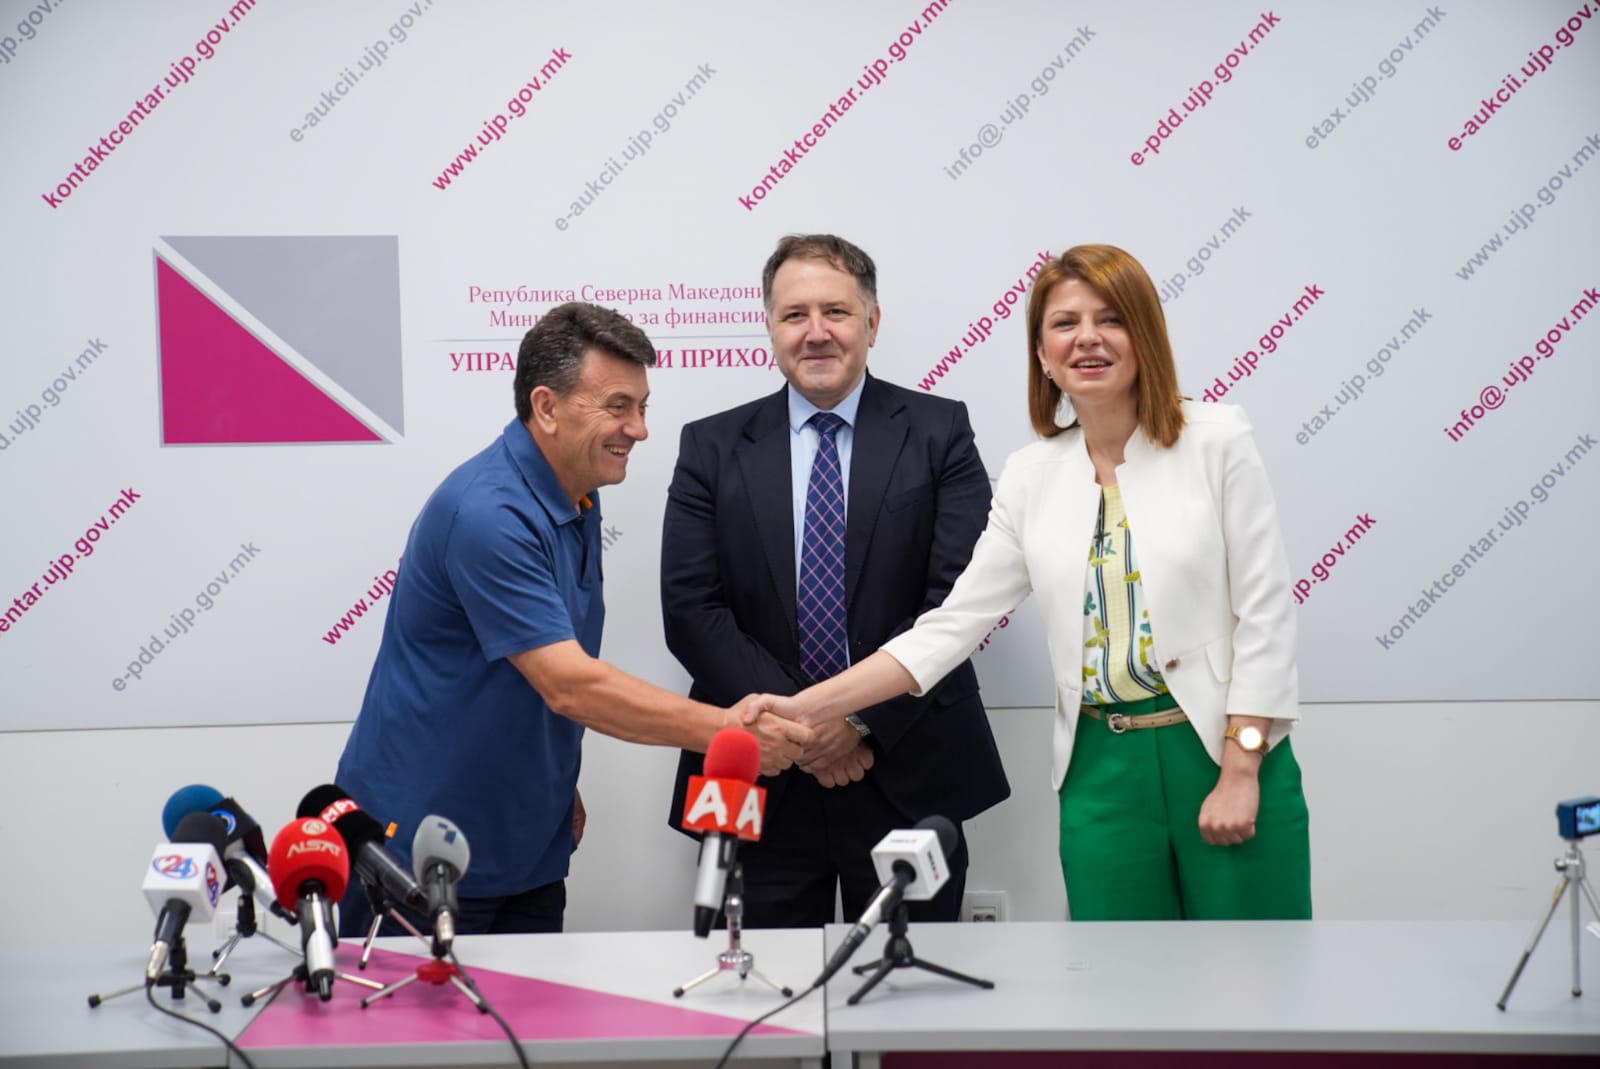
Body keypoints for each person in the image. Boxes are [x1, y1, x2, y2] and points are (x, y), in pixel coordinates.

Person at [763, 245, 1311, 921]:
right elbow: (948, 629)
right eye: (1064, 323)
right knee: (1119, 980)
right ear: (1042, 354)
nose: (1087, 338)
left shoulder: (1217, 439)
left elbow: (1265, 614)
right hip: (1099, 769)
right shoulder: (1031, 474)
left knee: (1253, 974)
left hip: (1221, 751)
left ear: (1145, 334)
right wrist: (802, 708)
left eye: (1111, 319)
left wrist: (1243, 766)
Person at [334, 302, 811, 937]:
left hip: (529, 843)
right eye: (618, 406)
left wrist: (551, 784)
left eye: (642, 407)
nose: (639, 429)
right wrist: (728, 733)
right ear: (547, 407)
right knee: (421, 1007)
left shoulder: (577, 496)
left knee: (531, 1007)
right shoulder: (488, 513)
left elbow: (539, 670)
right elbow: (570, 685)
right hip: (419, 852)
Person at [661, 234, 1010, 927]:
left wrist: (857, 720)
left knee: (912, 982)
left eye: (836, 312)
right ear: (770, 326)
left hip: (906, 763)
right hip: (759, 769)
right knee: (760, 980)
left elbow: (956, 602)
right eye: (795, 314)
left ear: (871, 324)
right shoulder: (711, 445)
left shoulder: (939, 431)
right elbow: (691, 610)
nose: (815, 332)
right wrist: (803, 729)